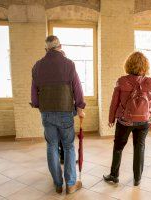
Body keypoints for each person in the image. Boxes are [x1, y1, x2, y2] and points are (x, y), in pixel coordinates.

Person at [31, 35, 85, 194]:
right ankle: (70, 184)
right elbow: (77, 88)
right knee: (68, 147)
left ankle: (57, 184)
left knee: (51, 146)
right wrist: (80, 106)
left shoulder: (37, 66)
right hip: (65, 112)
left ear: (46, 49)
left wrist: (39, 105)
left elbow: (34, 94)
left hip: (46, 113)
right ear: (60, 46)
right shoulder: (69, 64)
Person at [103, 51, 151, 186]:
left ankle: (114, 175)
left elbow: (114, 102)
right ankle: (137, 178)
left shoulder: (122, 81)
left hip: (124, 121)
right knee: (139, 147)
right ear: (145, 66)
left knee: (118, 146)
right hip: (144, 121)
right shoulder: (150, 82)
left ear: (128, 65)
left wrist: (111, 119)